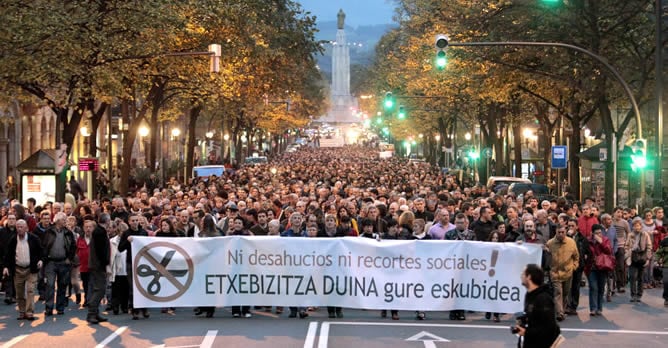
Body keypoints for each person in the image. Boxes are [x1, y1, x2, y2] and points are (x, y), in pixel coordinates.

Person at [2, 219, 43, 320]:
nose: (19, 229)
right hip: (18, 270)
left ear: (26, 228)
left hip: (31, 269)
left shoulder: (34, 238)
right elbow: (8, 255)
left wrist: (41, 260)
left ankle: (29, 312)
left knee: (30, 290)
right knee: (19, 293)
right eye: (18, 227)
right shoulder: (13, 240)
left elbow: (41, 251)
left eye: (21, 227)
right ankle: (22, 311)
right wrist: (6, 267)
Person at [515, 264, 562, 348]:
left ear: (529, 277)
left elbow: (549, 328)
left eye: (523, 274)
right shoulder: (529, 295)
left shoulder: (543, 299)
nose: (521, 276)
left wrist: (526, 332)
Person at [43, 212, 76, 316]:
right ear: (58, 221)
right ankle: (49, 308)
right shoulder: (49, 232)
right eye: (64, 220)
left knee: (62, 285)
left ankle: (60, 308)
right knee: (50, 284)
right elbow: (44, 245)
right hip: (51, 262)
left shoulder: (68, 232)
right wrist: (45, 259)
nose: (65, 221)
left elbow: (73, 246)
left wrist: (69, 258)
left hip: (63, 262)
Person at [545, 225, 579, 322]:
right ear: (556, 232)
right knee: (558, 292)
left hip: (568, 272)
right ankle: (559, 313)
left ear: (565, 232)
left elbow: (576, 256)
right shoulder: (550, 243)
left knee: (565, 293)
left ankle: (562, 310)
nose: (560, 234)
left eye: (562, 232)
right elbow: (546, 255)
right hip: (555, 272)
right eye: (558, 232)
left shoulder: (571, 243)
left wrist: (574, 267)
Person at [86, 215, 112, 324]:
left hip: (96, 264)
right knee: (100, 289)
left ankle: (95, 313)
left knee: (99, 288)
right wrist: (105, 263)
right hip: (98, 265)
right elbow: (101, 250)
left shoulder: (98, 231)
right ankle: (91, 313)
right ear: (107, 221)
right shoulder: (100, 233)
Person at [585, 224, 613, 317]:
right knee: (593, 287)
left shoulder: (605, 240)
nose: (599, 234)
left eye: (600, 232)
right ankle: (593, 308)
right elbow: (585, 252)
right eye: (596, 233)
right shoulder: (588, 241)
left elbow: (609, 251)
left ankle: (599, 308)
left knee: (601, 288)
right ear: (592, 233)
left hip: (603, 267)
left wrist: (601, 242)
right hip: (591, 267)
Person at [625, 217, 652, 303]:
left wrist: (648, 258)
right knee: (632, 277)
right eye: (635, 226)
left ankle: (639, 295)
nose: (637, 227)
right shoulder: (630, 235)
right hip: (633, 257)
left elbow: (649, 246)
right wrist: (628, 254)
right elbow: (626, 246)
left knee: (640, 277)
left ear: (641, 226)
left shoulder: (645, 234)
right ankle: (633, 295)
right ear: (633, 226)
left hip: (642, 257)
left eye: (638, 225)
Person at [654, 232, 668, 307]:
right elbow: (658, 252)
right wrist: (656, 260)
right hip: (666, 265)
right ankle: (667, 298)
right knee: (666, 282)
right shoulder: (665, 241)